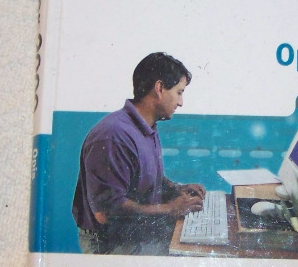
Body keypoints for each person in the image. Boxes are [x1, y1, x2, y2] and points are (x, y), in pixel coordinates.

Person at [72, 53, 205, 254]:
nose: (181, 102)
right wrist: (171, 209)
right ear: (159, 88)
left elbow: (144, 175)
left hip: (136, 233)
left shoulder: (146, 126)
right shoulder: (113, 136)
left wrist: (175, 189)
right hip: (112, 245)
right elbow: (107, 213)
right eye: (179, 92)